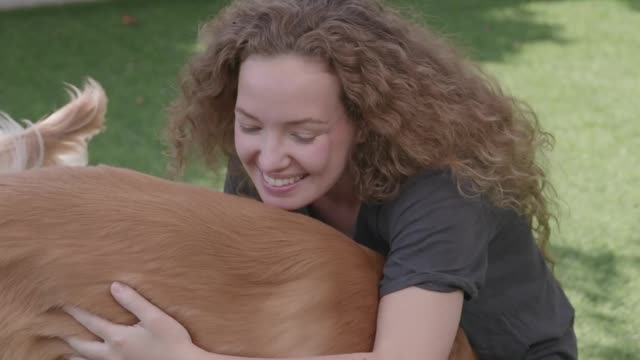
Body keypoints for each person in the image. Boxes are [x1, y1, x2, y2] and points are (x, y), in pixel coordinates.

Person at [61, 0, 577, 359]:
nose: (269, 159)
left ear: (368, 119)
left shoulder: (446, 191)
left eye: (303, 134)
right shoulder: (261, 162)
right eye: (249, 125)